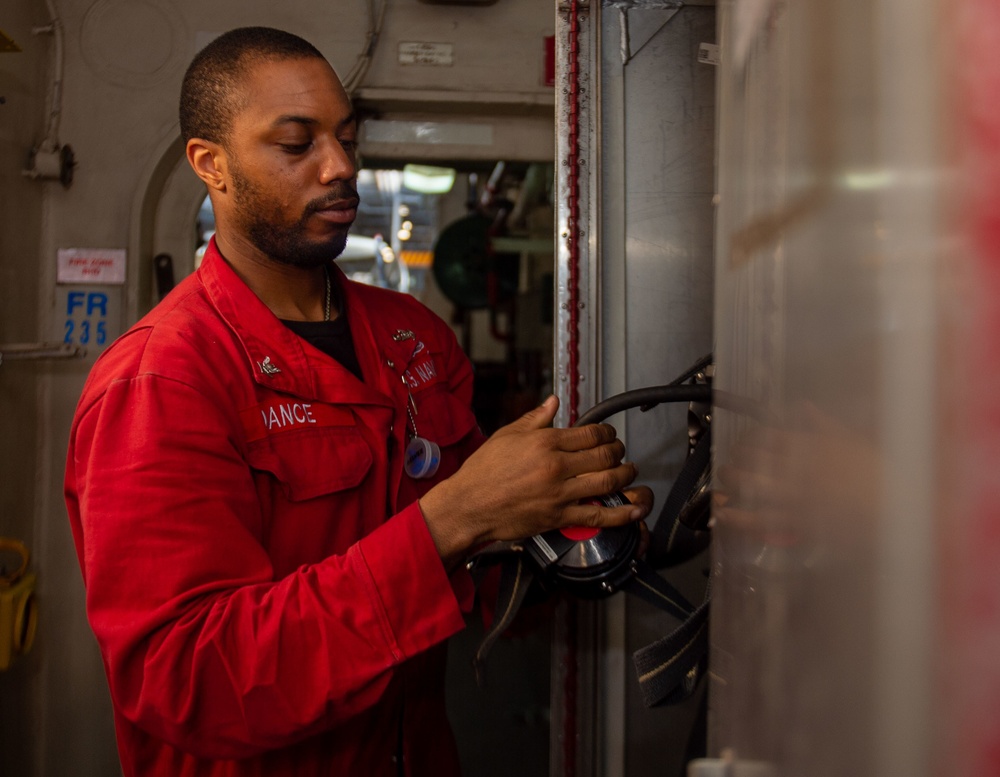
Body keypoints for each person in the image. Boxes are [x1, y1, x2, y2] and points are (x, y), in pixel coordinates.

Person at [64, 26, 651, 777]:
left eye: (346, 135)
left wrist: (590, 526)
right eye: (295, 143)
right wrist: (451, 521)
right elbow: (192, 682)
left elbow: (493, 567)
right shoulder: (163, 381)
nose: (340, 166)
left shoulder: (412, 338)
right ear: (210, 165)